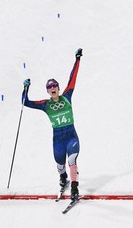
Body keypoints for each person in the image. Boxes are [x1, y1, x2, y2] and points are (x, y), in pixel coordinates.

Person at [22, 48, 83, 201]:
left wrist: (77, 60)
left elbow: (73, 78)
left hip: (71, 136)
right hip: (58, 140)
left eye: (54, 85)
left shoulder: (67, 95)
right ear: (48, 92)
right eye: (49, 87)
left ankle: (75, 187)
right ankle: (63, 178)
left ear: (58, 87)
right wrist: (25, 88)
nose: (52, 88)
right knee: (60, 164)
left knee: (72, 160)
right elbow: (25, 102)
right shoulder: (45, 104)